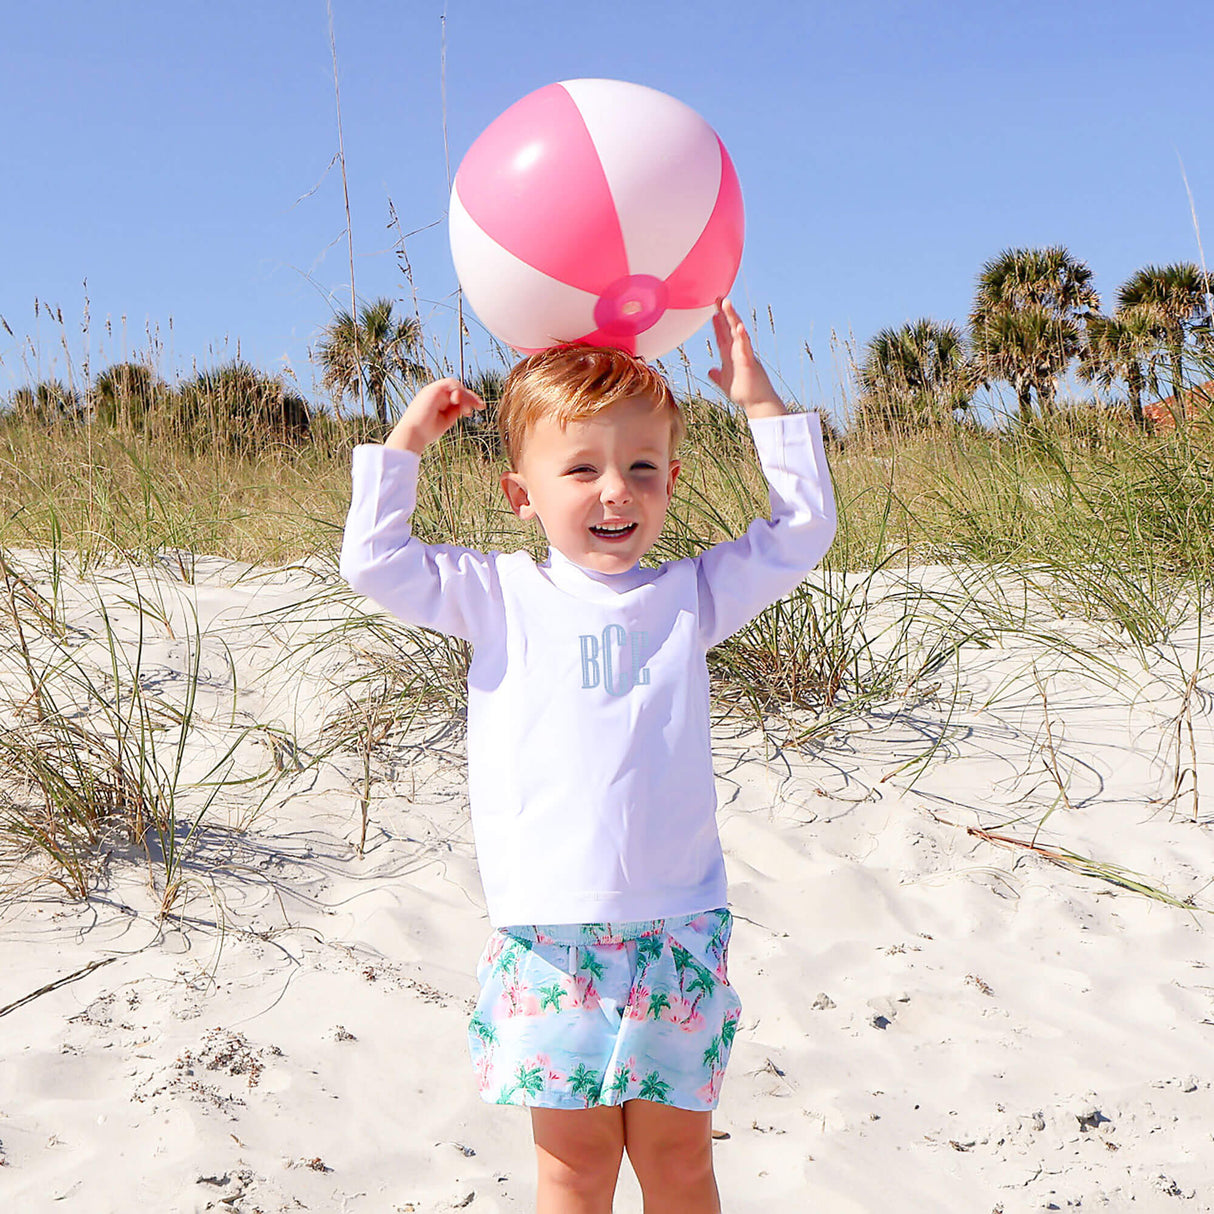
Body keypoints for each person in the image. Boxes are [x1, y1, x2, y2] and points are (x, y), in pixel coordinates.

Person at [339, 299, 837, 1213]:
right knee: (573, 1170)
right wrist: (408, 439)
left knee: (681, 1162)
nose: (616, 490)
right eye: (581, 468)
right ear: (521, 496)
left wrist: (757, 401)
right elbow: (374, 561)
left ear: (672, 481)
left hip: (678, 926)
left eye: (642, 467)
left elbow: (799, 531)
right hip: (548, 938)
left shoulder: (692, 596)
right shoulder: (493, 594)